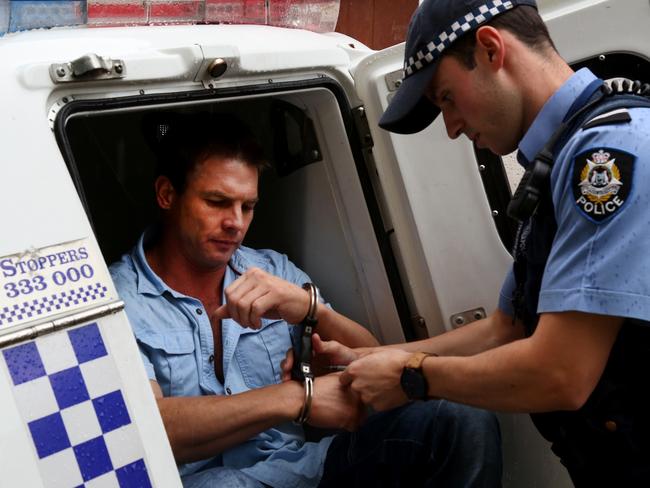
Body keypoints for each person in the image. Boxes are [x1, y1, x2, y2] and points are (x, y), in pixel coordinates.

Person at [331, 0, 650, 486]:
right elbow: (508, 328)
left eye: (447, 98)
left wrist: (412, 377)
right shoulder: (560, 159)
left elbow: (561, 373)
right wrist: (377, 360)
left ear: (490, 49)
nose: (452, 126)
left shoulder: (608, 159)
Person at [109, 114, 502, 487]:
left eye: (247, 206)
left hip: (302, 468)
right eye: (217, 202)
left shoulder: (272, 270)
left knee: (457, 417)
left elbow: (379, 368)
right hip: (203, 480)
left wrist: (314, 310)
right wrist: (299, 397)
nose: (236, 223)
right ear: (167, 195)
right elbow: (149, 429)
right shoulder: (116, 300)